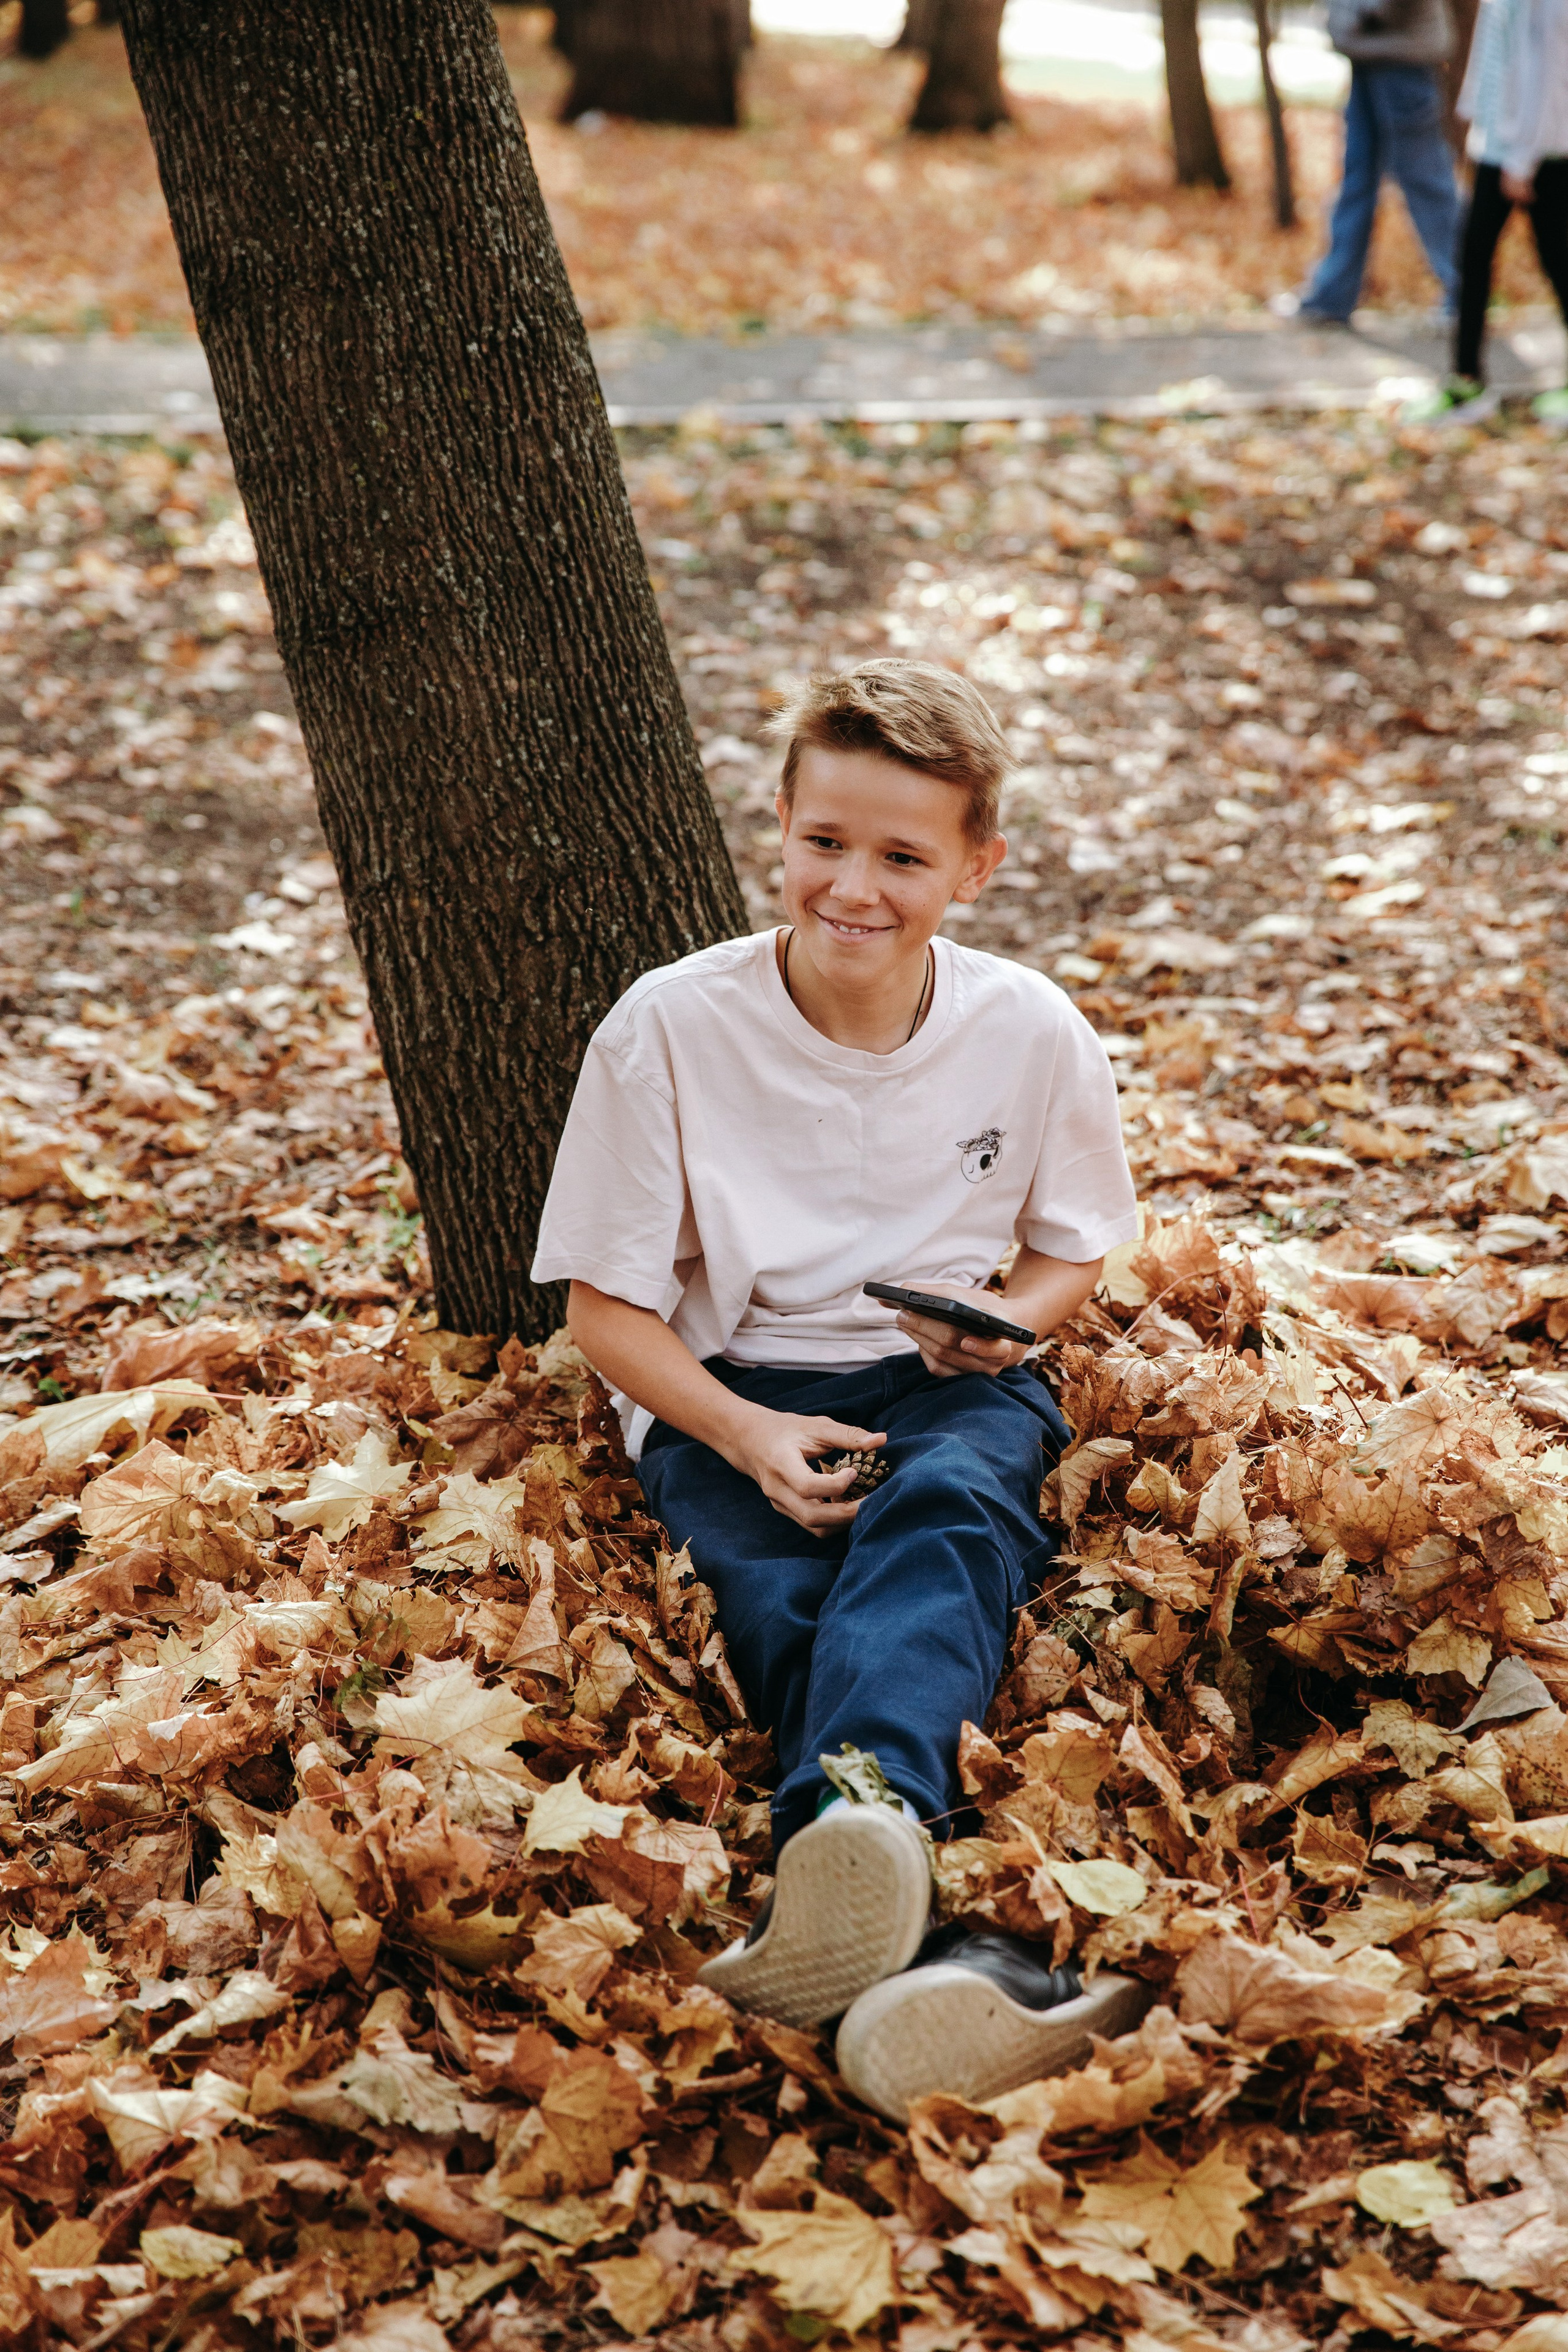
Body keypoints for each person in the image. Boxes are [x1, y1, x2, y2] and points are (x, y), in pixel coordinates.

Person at [532, 658, 1148, 2122]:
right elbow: (601, 1309)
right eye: (824, 841)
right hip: (726, 1381)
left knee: (941, 1517)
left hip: (940, 1377)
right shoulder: (668, 1027)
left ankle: (853, 1842)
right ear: (781, 828)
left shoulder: (1026, 1026)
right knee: (779, 1594)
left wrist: (1002, 1323)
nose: (851, 885)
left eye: (900, 854)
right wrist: (743, 1434)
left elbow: (1074, 1248)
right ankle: (952, 1952)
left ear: (974, 868)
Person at [1406, 0, 1568, 420]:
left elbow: (1544, 73)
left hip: (1534, 154)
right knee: (1473, 259)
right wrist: (1474, 118)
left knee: (1557, 262)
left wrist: (1521, 160)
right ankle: (1466, 380)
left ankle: (1468, 380)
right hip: (1498, 147)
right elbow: (1494, 56)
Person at [1282, 0, 1461, 325]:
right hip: (1370, 59)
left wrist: (1362, 12)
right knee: (1356, 182)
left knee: (1428, 183)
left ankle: (1465, 292)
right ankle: (1332, 296)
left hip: (1404, 62)